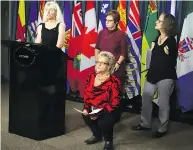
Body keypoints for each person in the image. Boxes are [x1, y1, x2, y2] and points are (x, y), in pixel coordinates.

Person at [132, 13, 178, 138]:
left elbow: (171, 57)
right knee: (146, 99)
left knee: (163, 104)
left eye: (159, 20)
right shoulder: (155, 40)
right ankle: (145, 123)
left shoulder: (171, 41)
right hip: (152, 75)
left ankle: (162, 128)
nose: (156, 22)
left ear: (166, 24)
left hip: (166, 77)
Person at [82, 51, 122, 150]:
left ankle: (108, 141)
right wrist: (86, 108)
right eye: (97, 62)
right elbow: (87, 95)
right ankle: (97, 135)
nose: (98, 64)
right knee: (85, 115)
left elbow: (115, 102)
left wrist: (99, 112)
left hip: (108, 110)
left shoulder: (114, 81)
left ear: (109, 66)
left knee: (104, 121)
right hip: (94, 108)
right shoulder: (91, 77)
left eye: (102, 63)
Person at [95, 10, 128, 90]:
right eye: (106, 20)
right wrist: (97, 62)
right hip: (102, 67)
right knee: (100, 91)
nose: (107, 22)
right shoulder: (102, 33)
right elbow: (97, 48)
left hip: (115, 68)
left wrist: (118, 63)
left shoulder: (121, 34)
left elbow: (124, 53)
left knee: (113, 92)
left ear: (116, 22)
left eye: (110, 21)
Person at [35, 1, 66, 86]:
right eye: (46, 10)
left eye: (50, 10)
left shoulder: (61, 25)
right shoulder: (41, 26)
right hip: (42, 57)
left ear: (56, 12)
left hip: (55, 58)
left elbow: (59, 44)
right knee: (42, 84)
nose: (47, 12)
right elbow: (37, 42)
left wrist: (49, 56)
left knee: (52, 85)